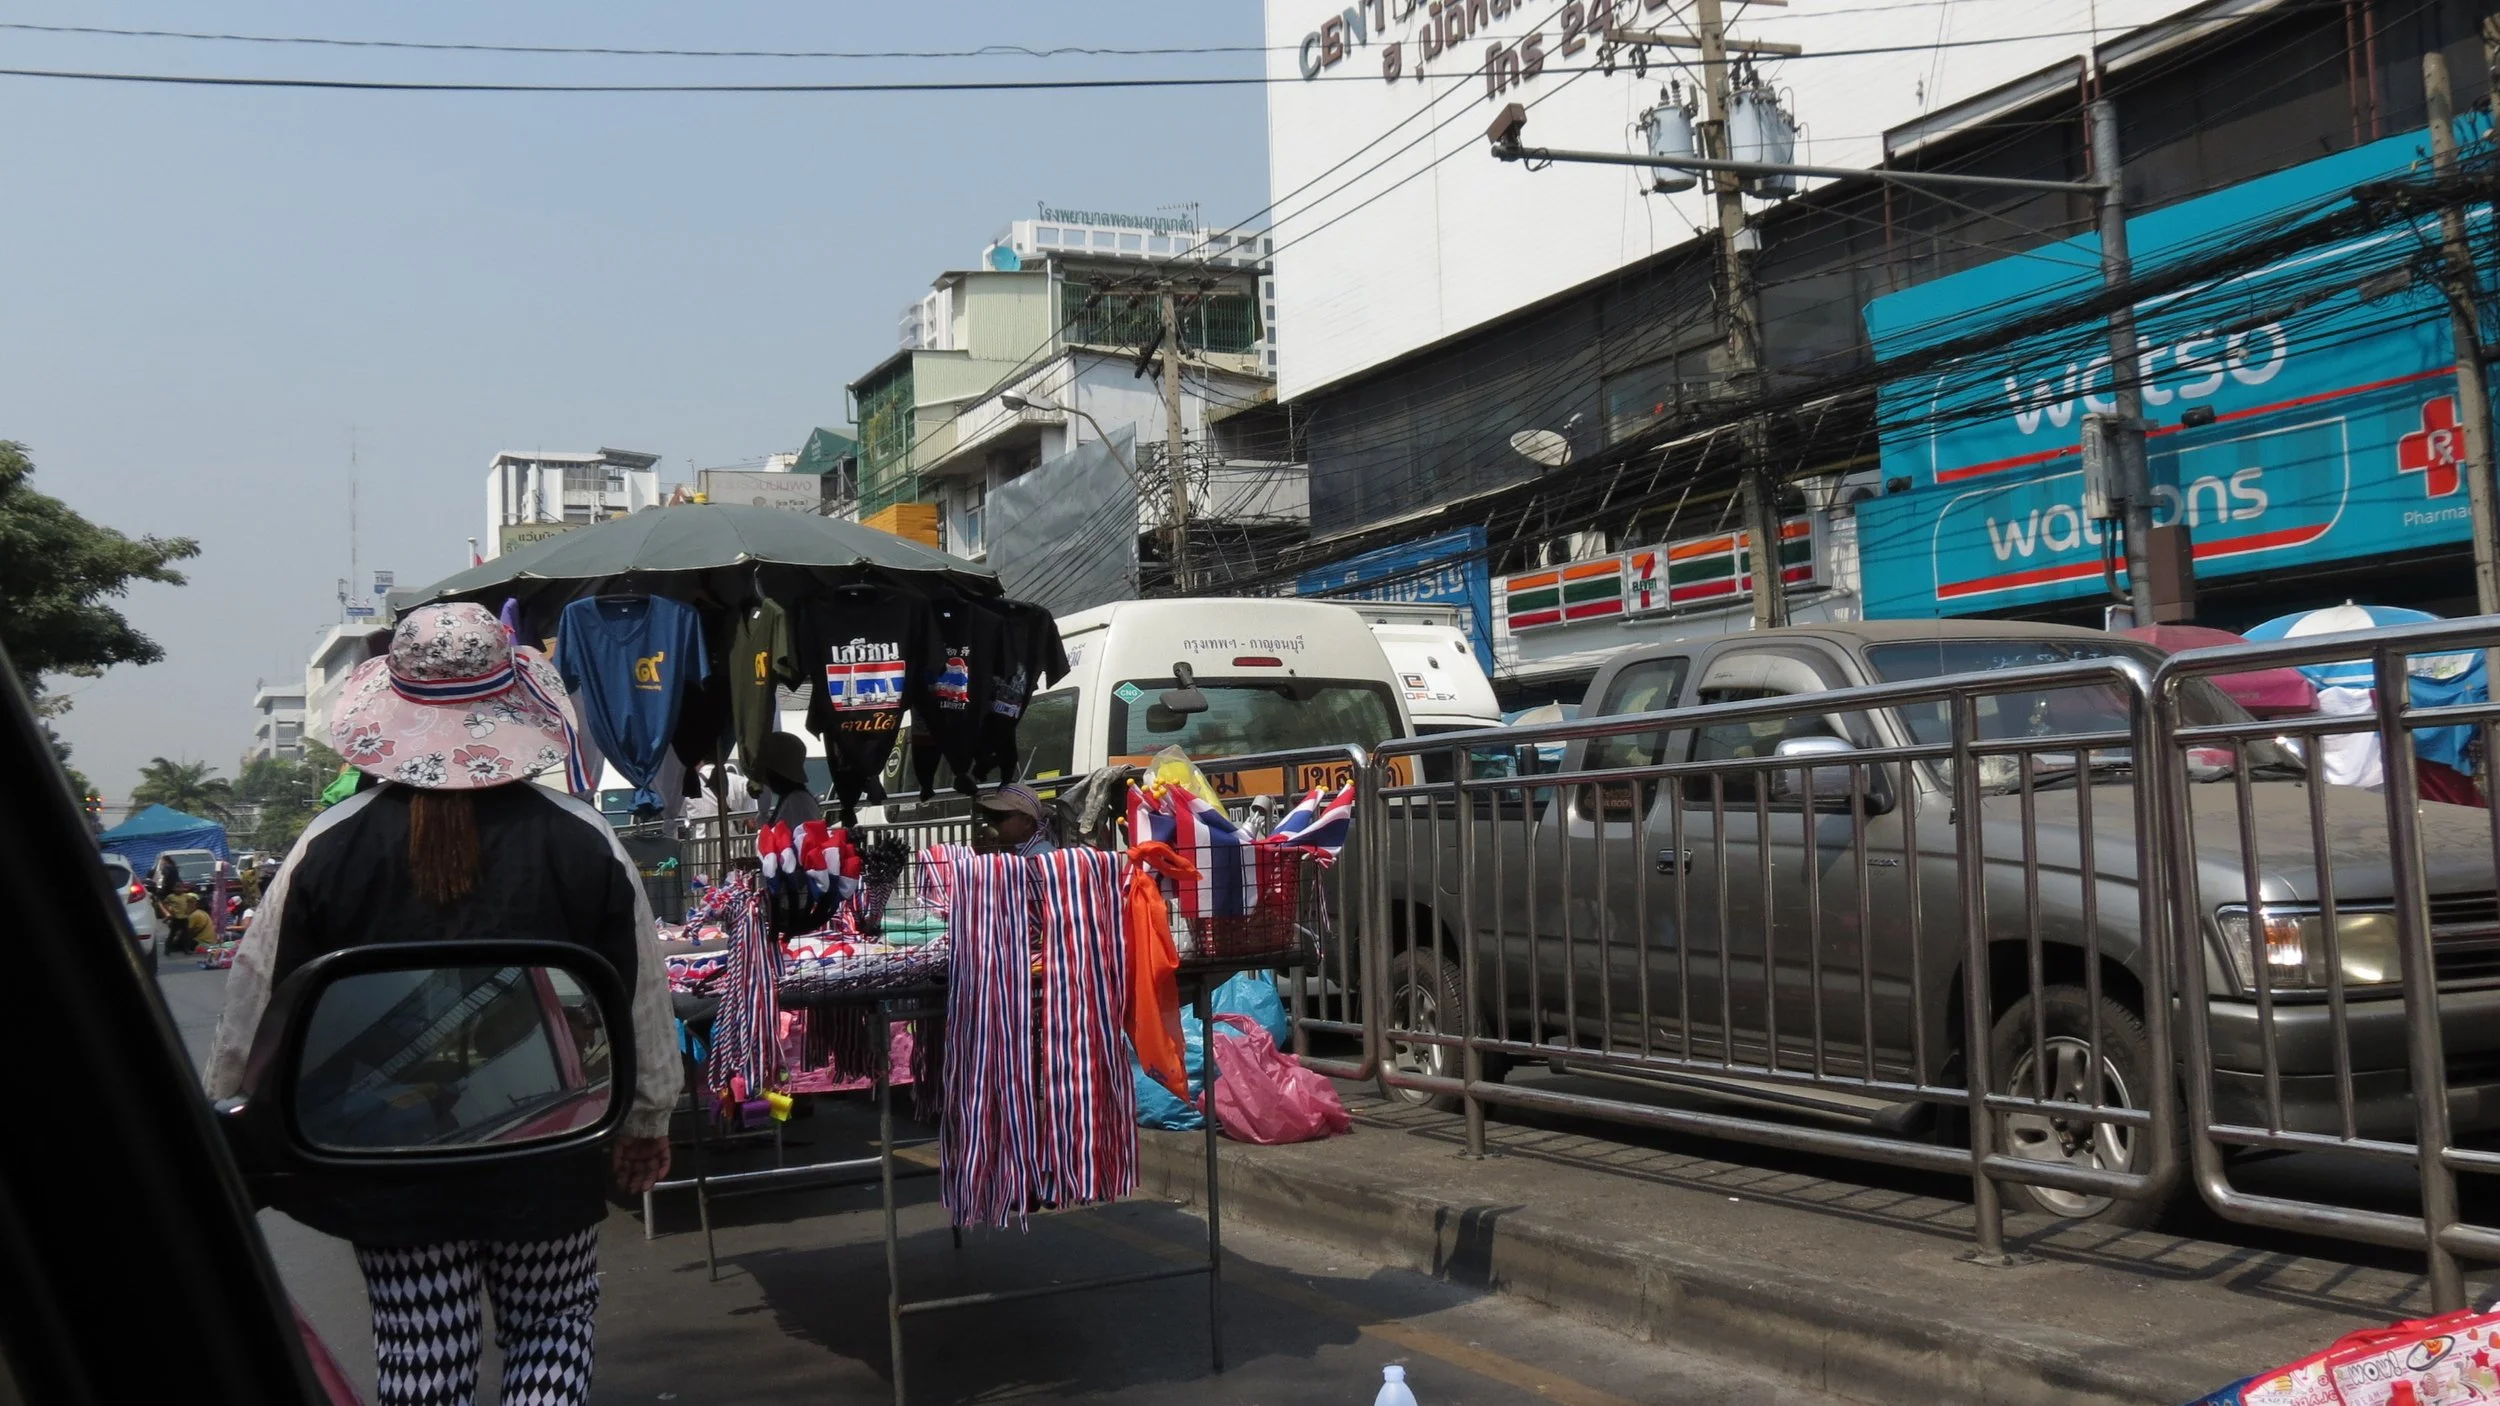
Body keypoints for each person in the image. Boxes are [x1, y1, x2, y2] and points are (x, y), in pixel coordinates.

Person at [204, 602, 681, 1406]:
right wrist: (648, 1120)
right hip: (552, 1140)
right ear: (515, 709)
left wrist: (228, 1119)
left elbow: (255, 1004)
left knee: (423, 1359)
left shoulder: (328, 843)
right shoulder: (584, 838)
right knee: (554, 1324)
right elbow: (639, 996)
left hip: (387, 1154)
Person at [975, 782, 1057, 857]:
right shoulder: (1015, 852)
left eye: (998, 816)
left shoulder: (1040, 858)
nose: (991, 822)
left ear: (1027, 822)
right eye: (989, 816)